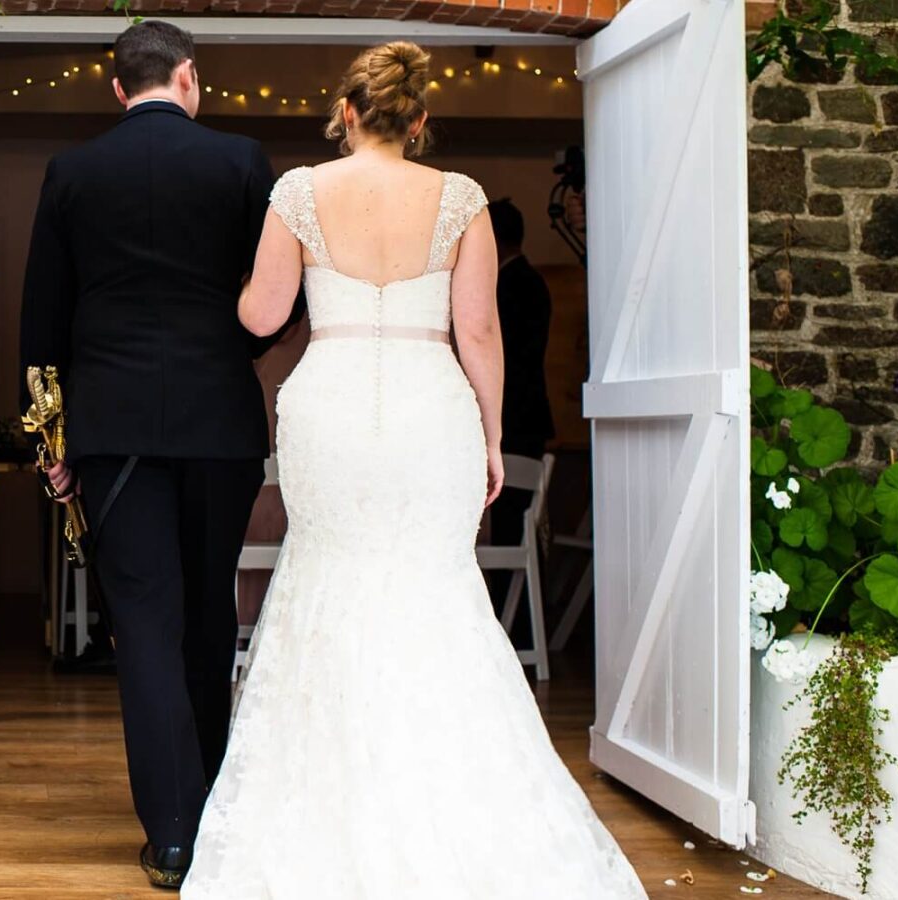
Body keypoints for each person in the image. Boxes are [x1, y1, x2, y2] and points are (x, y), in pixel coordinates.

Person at [184, 42, 646, 897]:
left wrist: (229, 274)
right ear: (421, 120)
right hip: (433, 406)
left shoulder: (298, 192)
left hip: (329, 406)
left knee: (327, 577)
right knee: (436, 589)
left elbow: (264, 311)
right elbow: (479, 334)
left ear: (347, 111)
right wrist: (490, 437)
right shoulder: (462, 198)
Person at [19, 20, 299, 888]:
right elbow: (275, 303)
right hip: (219, 422)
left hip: (112, 430)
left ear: (117, 89)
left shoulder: (71, 172)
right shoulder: (242, 162)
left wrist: (50, 438)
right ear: (189, 77)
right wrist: (228, 356)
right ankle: (210, 805)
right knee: (211, 612)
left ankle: (171, 830)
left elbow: (42, 321)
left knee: (143, 623)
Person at [487, 197, 556, 552]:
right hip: (525, 413)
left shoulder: (509, 286)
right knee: (514, 523)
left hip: (514, 415)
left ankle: (509, 604)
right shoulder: (529, 281)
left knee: (511, 523)